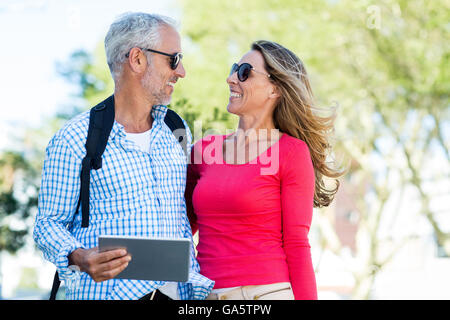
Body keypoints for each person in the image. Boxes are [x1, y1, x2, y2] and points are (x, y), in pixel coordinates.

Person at [33, 12, 213, 300]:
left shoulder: (176, 130)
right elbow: (47, 224)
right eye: (174, 59)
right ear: (138, 59)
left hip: (180, 295)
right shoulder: (76, 137)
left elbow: (181, 218)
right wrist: (79, 256)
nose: (181, 72)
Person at [185, 40, 342, 300]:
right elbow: (178, 227)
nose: (231, 78)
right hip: (204, 294)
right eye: (235, 68)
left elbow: (297, 245)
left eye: (244, 72)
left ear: (275, 89)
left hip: (265, 294)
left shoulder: (291, 152)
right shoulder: (202, 150)